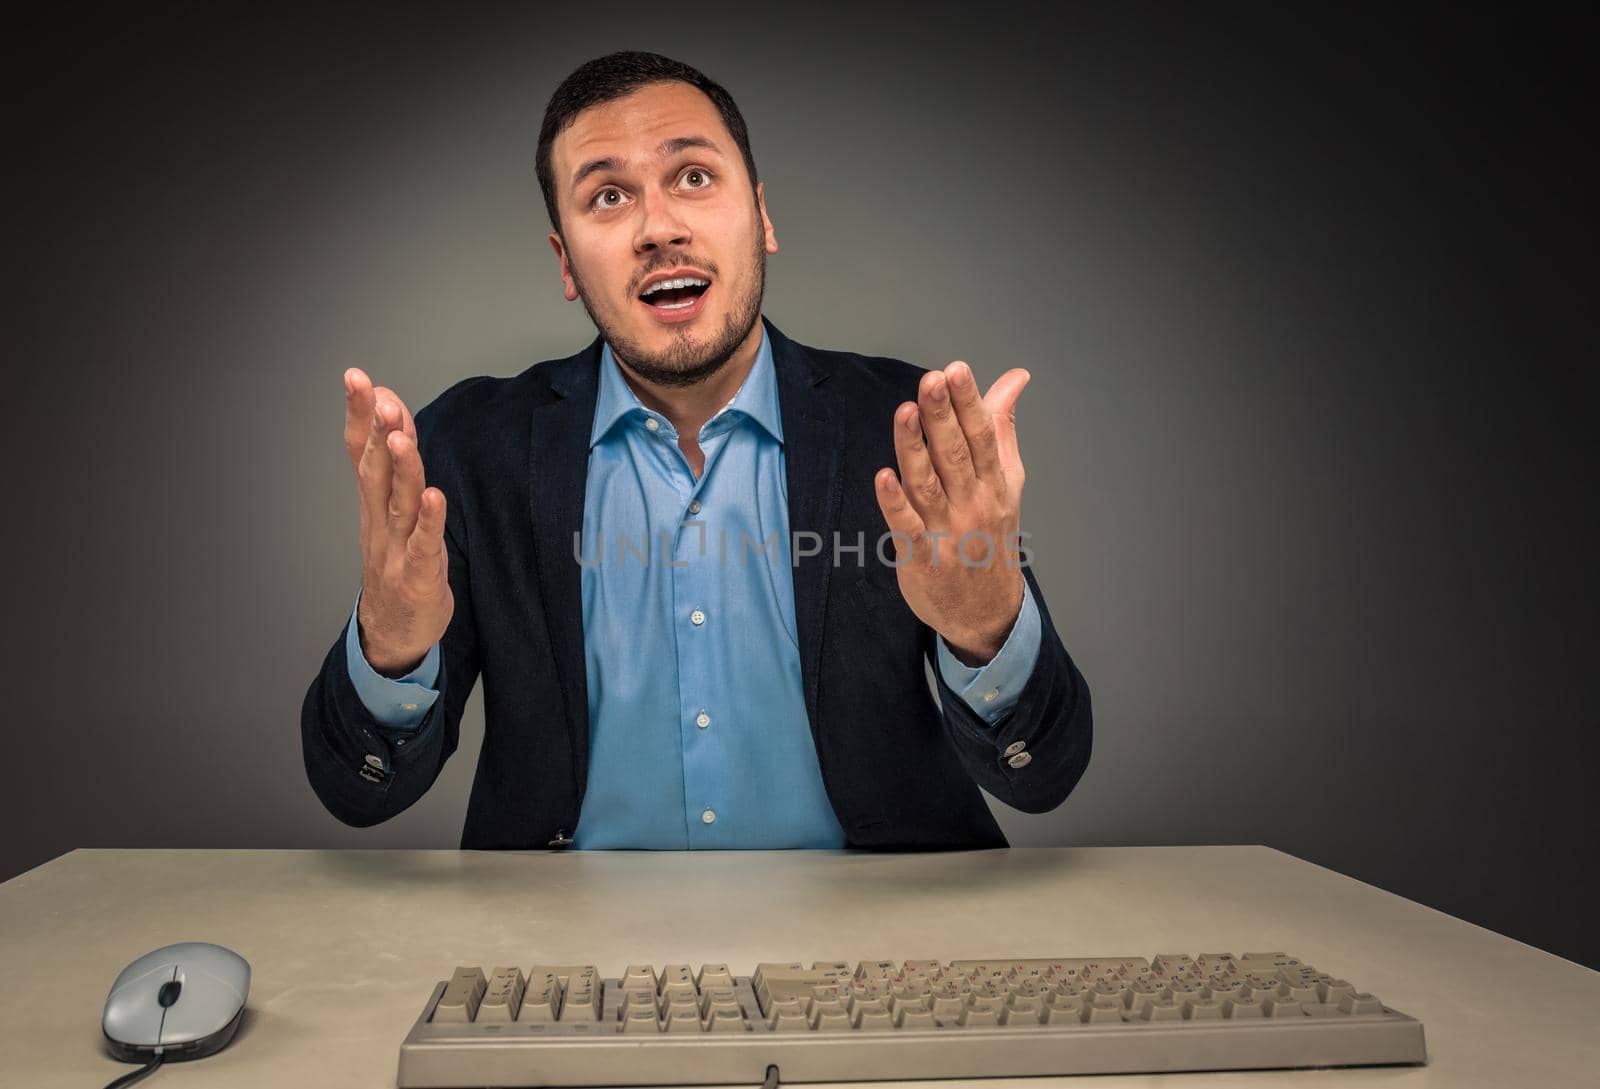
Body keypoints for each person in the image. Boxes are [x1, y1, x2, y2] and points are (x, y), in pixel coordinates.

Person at [301, 50, 1092, 850]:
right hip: (571, 958)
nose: (659, 228)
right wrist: (391, 646)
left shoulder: (906, 428)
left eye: (693, 178)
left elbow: (1046, 772)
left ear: (762, 216)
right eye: (608, 196)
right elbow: (358, 793)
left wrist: (985, 624)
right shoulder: (470, 447)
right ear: (566, 261)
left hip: (871, 958)